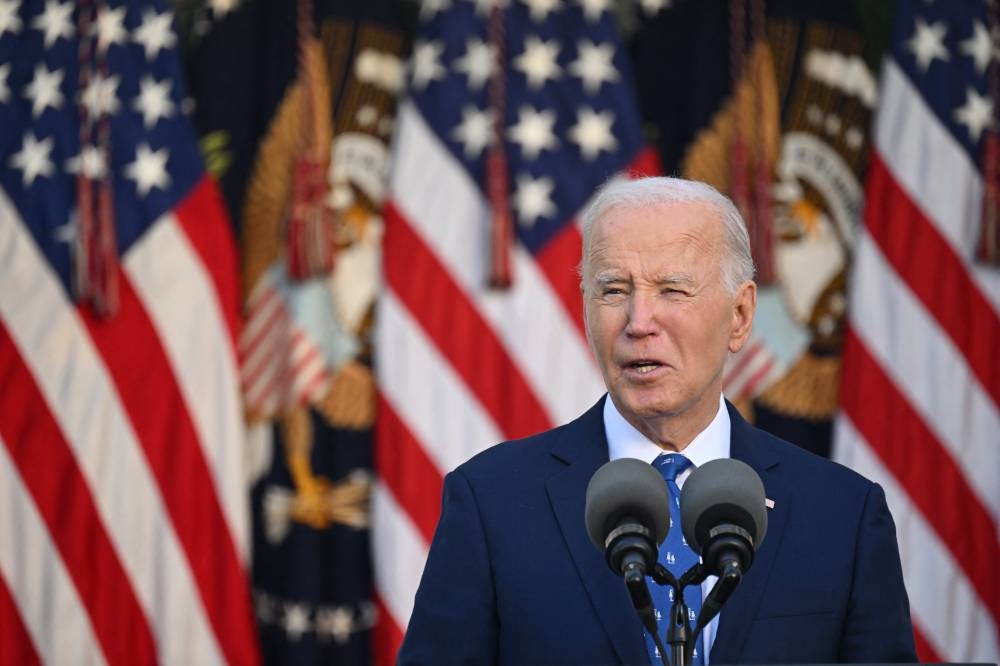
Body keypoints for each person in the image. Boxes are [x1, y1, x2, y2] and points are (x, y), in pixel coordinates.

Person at [398, 177, 916, 665]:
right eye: (613, 291)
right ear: (584, 309)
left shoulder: (843, 514)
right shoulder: (490, 503)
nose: (639, 322)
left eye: (672, 289)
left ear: (739, 315)